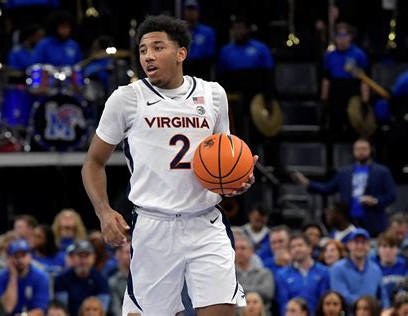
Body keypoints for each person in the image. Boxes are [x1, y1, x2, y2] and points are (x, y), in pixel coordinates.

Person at [81, 14, 256, 315]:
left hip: (205, 222)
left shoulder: (213, 94)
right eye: (143, 49)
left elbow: (225, 155)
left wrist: (238, 178)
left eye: (157, 47)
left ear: (181, 53)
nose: (148, 55)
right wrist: (104, 211)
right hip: (153, 225)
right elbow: (93, 162)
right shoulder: (126, 99)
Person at [293, 138, 397, 236]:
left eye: (364, 149)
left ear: (371, 150)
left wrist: (376, 201)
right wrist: (307, 183)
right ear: (353, 151)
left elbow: (392, 195)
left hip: (374, 221)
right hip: (349, 221)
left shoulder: (382, 171)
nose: (361, 152)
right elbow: (327, 188)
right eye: (358, 149)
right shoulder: (344, 173)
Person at [217, 17, 274, 143]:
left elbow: (269, 76)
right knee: (237, 129)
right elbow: (220, 78)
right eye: (235, 28)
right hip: (235, 98)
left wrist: (268, 98)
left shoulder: (260, 48)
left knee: (258, 131)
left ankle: (261, 159)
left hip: (256, 98)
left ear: (247, 30)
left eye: (241, 28)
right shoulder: (225, 51)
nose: (238, 31)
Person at [320, 22, 370, 138]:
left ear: (350, 37)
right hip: (335, 94)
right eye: (338, 36)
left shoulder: (359, 55)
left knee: (353, 129)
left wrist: (365, 102)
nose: (341, 39)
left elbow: (365, 80)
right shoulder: (329, 55)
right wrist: (324, 101)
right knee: (334, 130)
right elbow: (326, 79)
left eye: (344, 35)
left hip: (352, 94)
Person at [330, 228, 389, 308]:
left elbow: (383, 296)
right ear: (349, 245)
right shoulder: (337, 268)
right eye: (356, 242)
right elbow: (341, 296)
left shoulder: (375, 269)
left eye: (363, 242)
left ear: (369, 246)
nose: (360, 246)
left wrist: (386, 310)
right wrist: (366, 305)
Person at [275, 233, 330, 315]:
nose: (297, 249)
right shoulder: (282, 275)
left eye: (300, 245)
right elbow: (283, 304)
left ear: (310, 248)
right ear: (290, 252)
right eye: (293, 247)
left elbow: (325, 302)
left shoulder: (323, 272)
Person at [0, 238, 50, 316]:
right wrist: (13, 277)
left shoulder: (41, 277)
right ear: (8, 258)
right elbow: (7, 309)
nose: (20, 260)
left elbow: (40, 310)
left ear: (30, 257)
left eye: (23, 255)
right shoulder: (0, 278)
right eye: (16, 256)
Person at [54, 240, 110, 316]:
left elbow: (102, 310)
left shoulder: (101, 280)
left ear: (94, 257)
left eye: (86, 256)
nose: (83, 261)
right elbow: (62, 309)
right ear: (73, 257)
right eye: (80, 256)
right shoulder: (61, 279)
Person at [234, 235, 274, 315]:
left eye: (243, 248)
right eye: (236, 249)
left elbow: (268, 293)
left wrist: (239, 288)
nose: (239, 252)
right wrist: (257, 289)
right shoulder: (229, 276)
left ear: (251, 251)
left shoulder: (265, 273)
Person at [181, 0, 216, 80]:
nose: (191, 13)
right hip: (184, 66)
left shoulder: (208, 31)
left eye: (193, 10)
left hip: (202, 67)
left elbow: (211, 55)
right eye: (188, 10)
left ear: (198, 12)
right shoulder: (179, 31)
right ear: (184, 12)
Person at [372, 232, 407, 304]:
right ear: (378, 249)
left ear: (397, 249)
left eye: (391, 246)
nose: (388, 251)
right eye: (384, 246)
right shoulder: (372, 268)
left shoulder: (406, 265)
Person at [108, 241, 130, 316]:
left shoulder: (143, 280)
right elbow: (116, 310)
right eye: (128, 252)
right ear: (118, 255)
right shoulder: (113, 282)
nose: (131, 256)